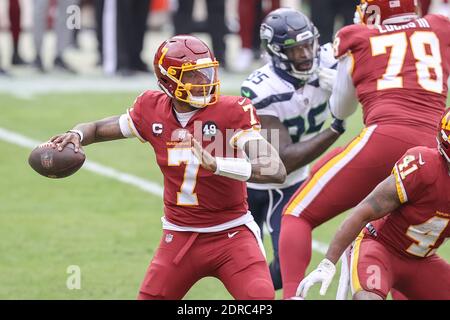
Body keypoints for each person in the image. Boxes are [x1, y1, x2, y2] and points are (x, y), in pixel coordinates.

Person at [48, 34, 287, 300]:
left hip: (232, 233)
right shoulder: (151, 109)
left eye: (206, 73)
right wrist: (76, 135)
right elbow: (96, 129)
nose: (204, 82)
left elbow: (274, 169)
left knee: (260, 299)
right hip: (179, 237)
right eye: (193, 76)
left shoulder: (232, 109)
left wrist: (217, 164)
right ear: (168, 81)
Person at [279, 0, 450, 299]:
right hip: (436, 145)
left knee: (298, 213)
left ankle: (293, 294)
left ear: (372, 11)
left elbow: (341, 108)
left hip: (384, 136)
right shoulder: (440, 27)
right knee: (403, 235)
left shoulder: (357, 35)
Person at [240, 8, 345, 291]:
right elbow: (281, 160)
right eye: (296, 49)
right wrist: (336, 126)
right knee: (245, 269)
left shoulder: (332, 60)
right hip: (250, 182)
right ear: (276, 52)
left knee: (286, 268)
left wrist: (349, 85)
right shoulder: (261, 88)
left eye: (308, 44)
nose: (306, 54)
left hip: (291, 183)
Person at [297, 111, 450, 300]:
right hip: (380, 248)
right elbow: (364, 211)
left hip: (423, 260)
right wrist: (328, 264)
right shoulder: (424, 168)